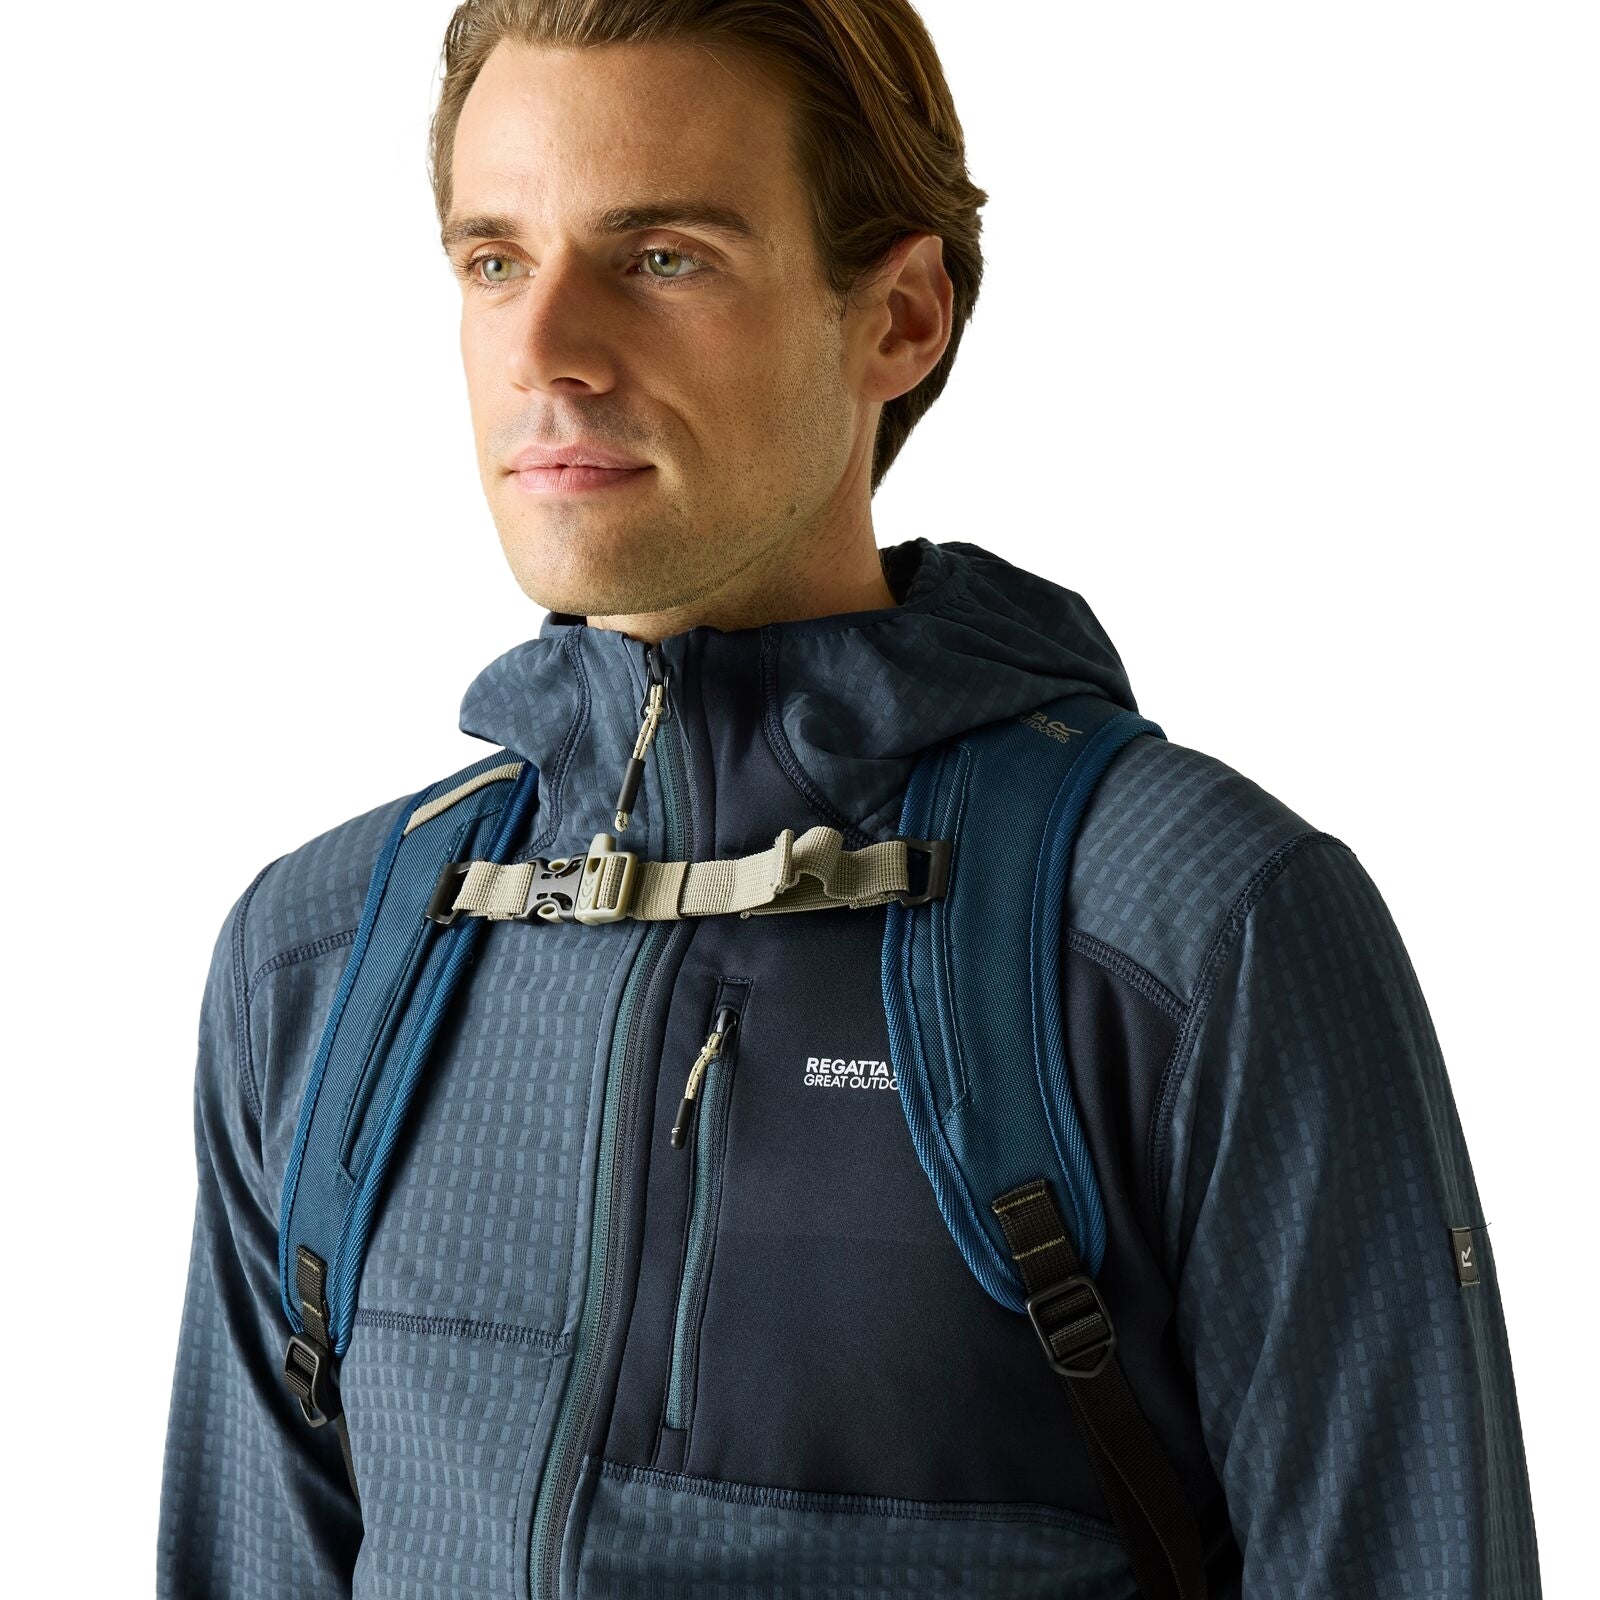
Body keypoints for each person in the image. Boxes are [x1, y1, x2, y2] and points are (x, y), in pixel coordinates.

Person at [156, 3, 1543, 1596]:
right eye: (494, 261)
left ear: (899, 317)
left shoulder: (1185, 934)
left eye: (661, 256)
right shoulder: (325, 964)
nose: (545, 351)